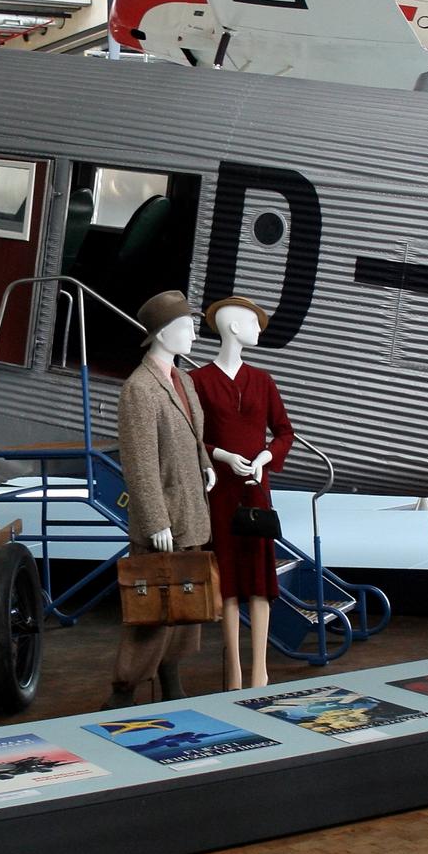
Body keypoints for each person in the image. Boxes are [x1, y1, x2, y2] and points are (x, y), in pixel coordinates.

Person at [111, 290, 217, 708]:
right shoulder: (140, 389)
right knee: (150, 613)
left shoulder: (183, 380)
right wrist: (156, 521)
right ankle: (122, 691)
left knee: (187, 607)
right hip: (164, 518)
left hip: (191, 510)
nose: (193, 335)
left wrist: (205, 461)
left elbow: (194, 433)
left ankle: (172, 679)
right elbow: (139, 462)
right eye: (187, 328)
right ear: (163, 333)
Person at [189, 295, 294, 690]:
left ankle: (260, 670)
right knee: (229, 578)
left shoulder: (263, 381)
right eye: (253, 322)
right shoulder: (198, 381)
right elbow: (194, 438)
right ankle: (232, 670)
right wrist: (223, 455)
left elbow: (285, 432)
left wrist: (265, 456)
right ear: (233, 327)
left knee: (259, 577)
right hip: (221, 490)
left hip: (256, 488)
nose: (258, 330)